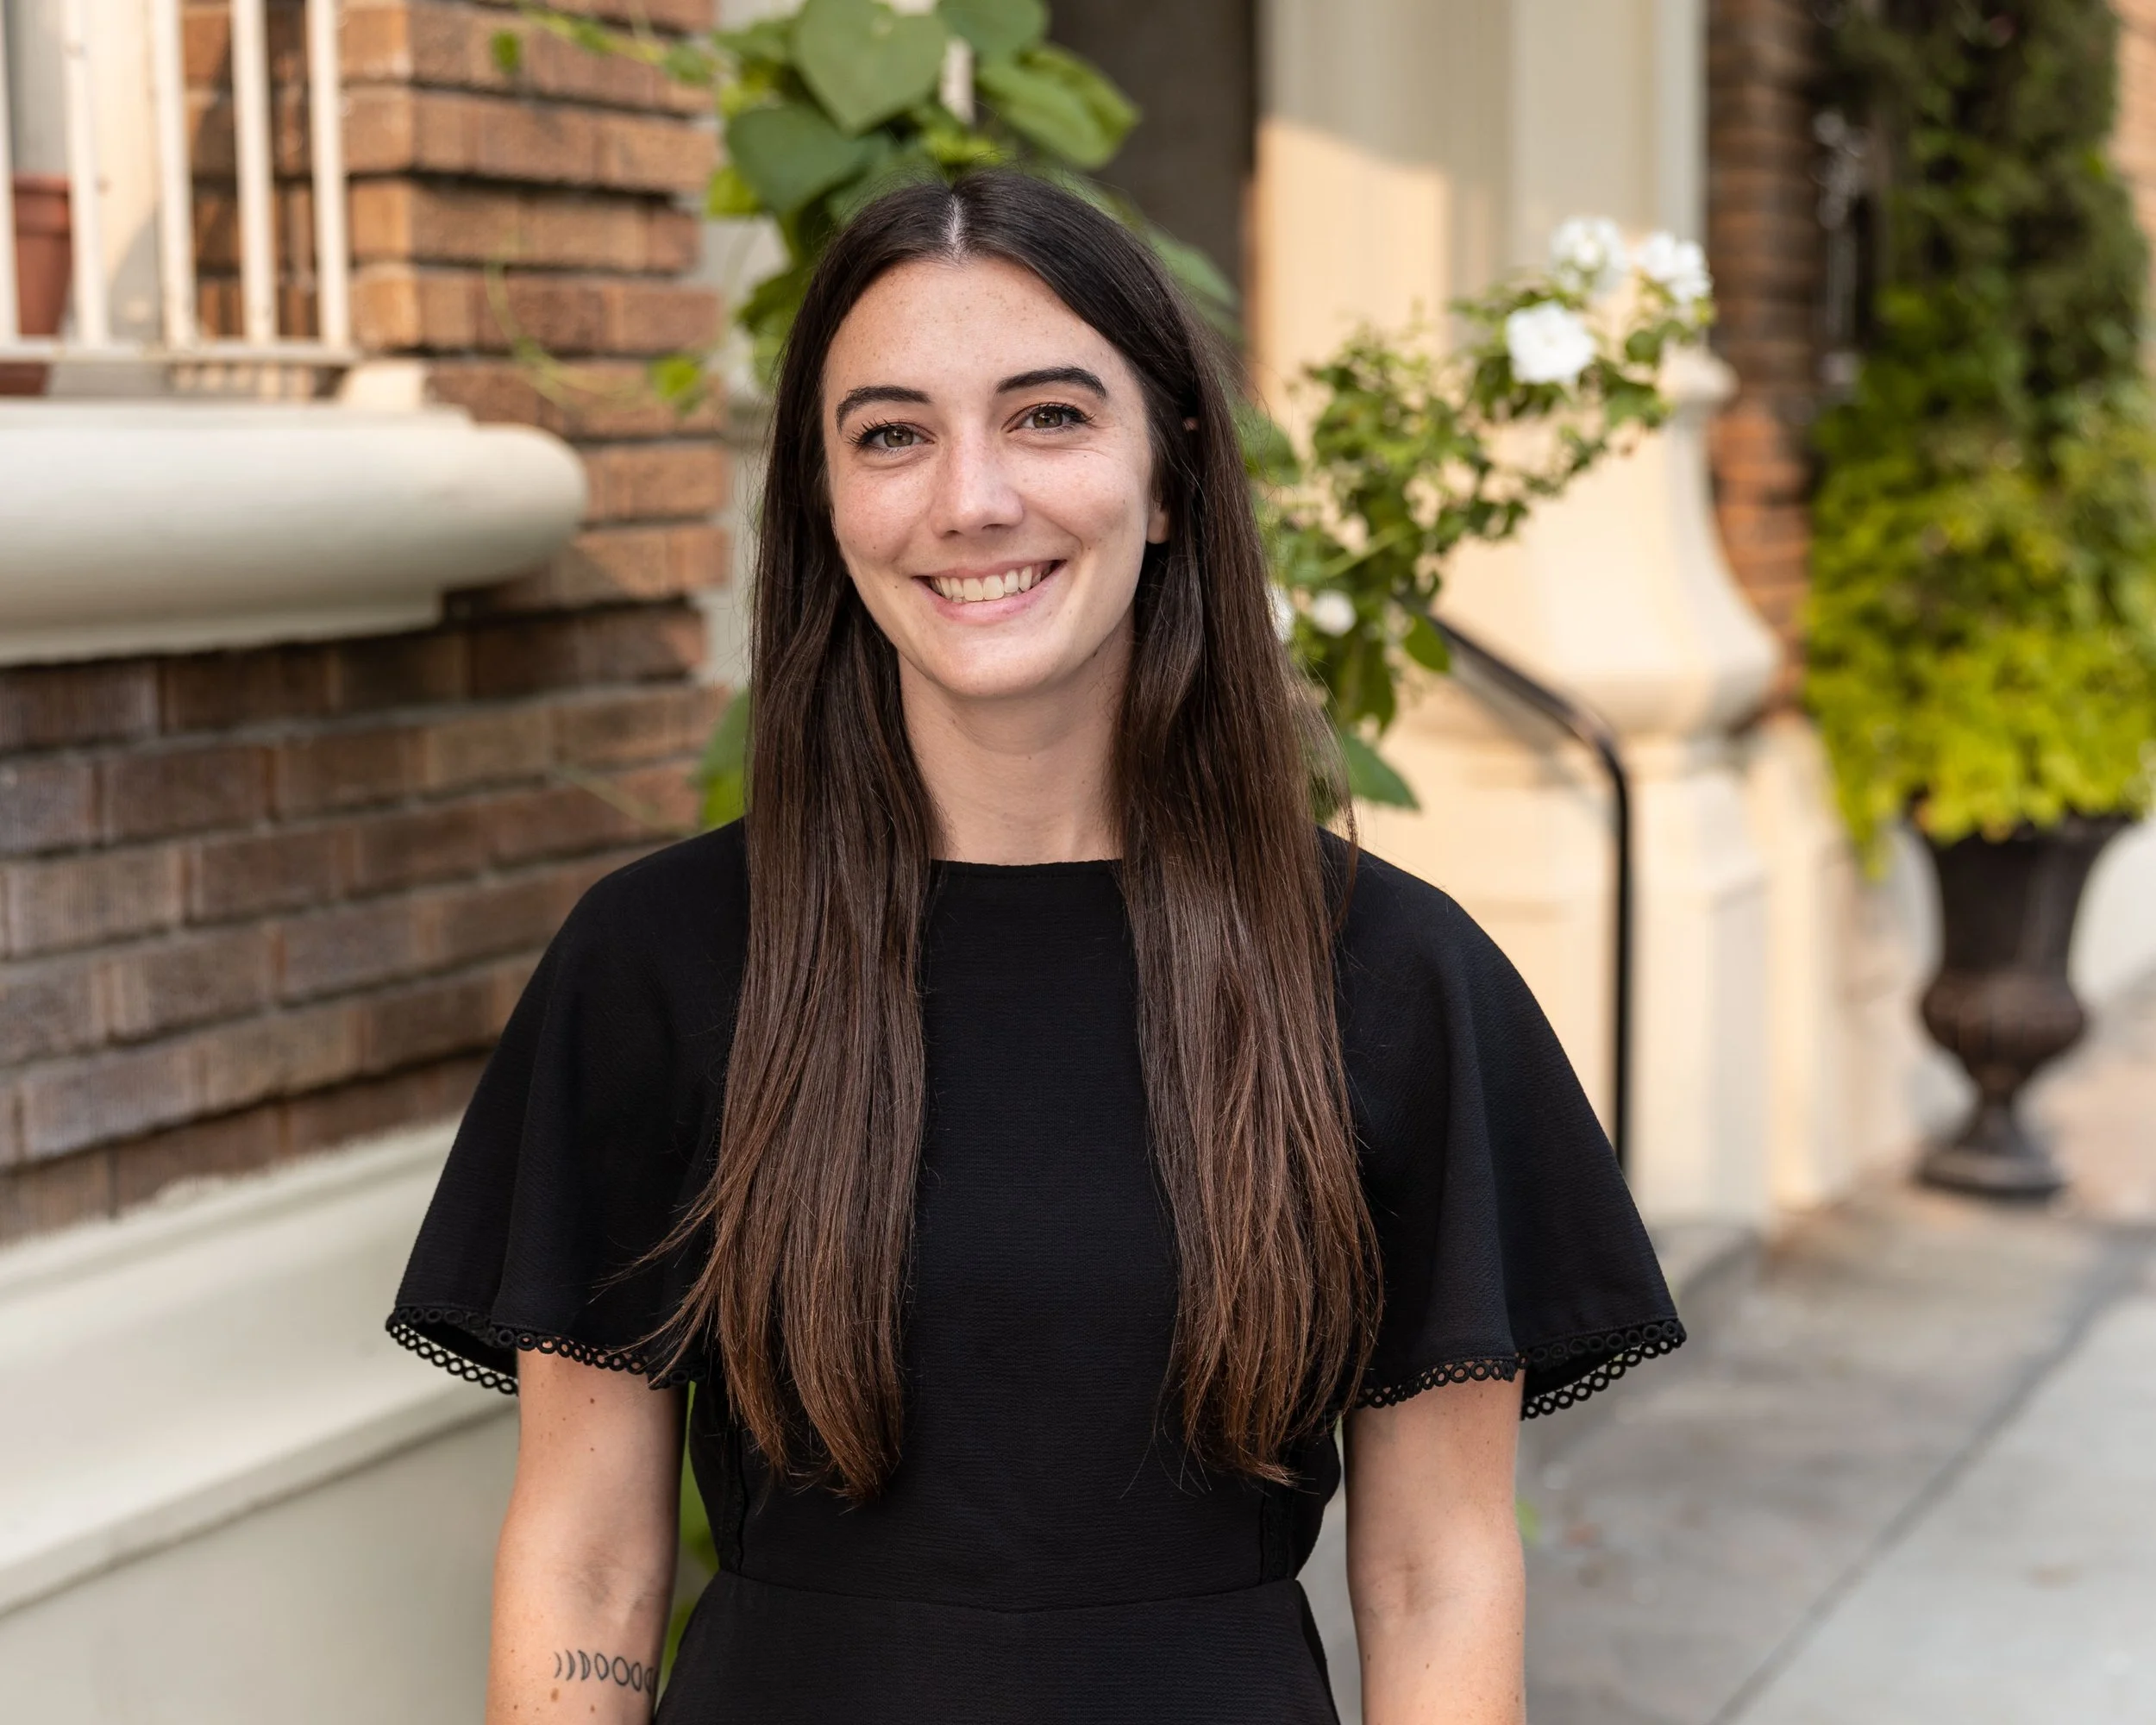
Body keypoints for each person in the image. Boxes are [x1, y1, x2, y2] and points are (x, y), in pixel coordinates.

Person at [389, 170, 1682, 1724]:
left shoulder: (1388, 978)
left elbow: (1437, 1575)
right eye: (892, 435)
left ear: (1172, 474)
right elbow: (589, 1563)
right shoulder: (660, 962)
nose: (970, 499)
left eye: (1049, 416)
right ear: (824, 504)